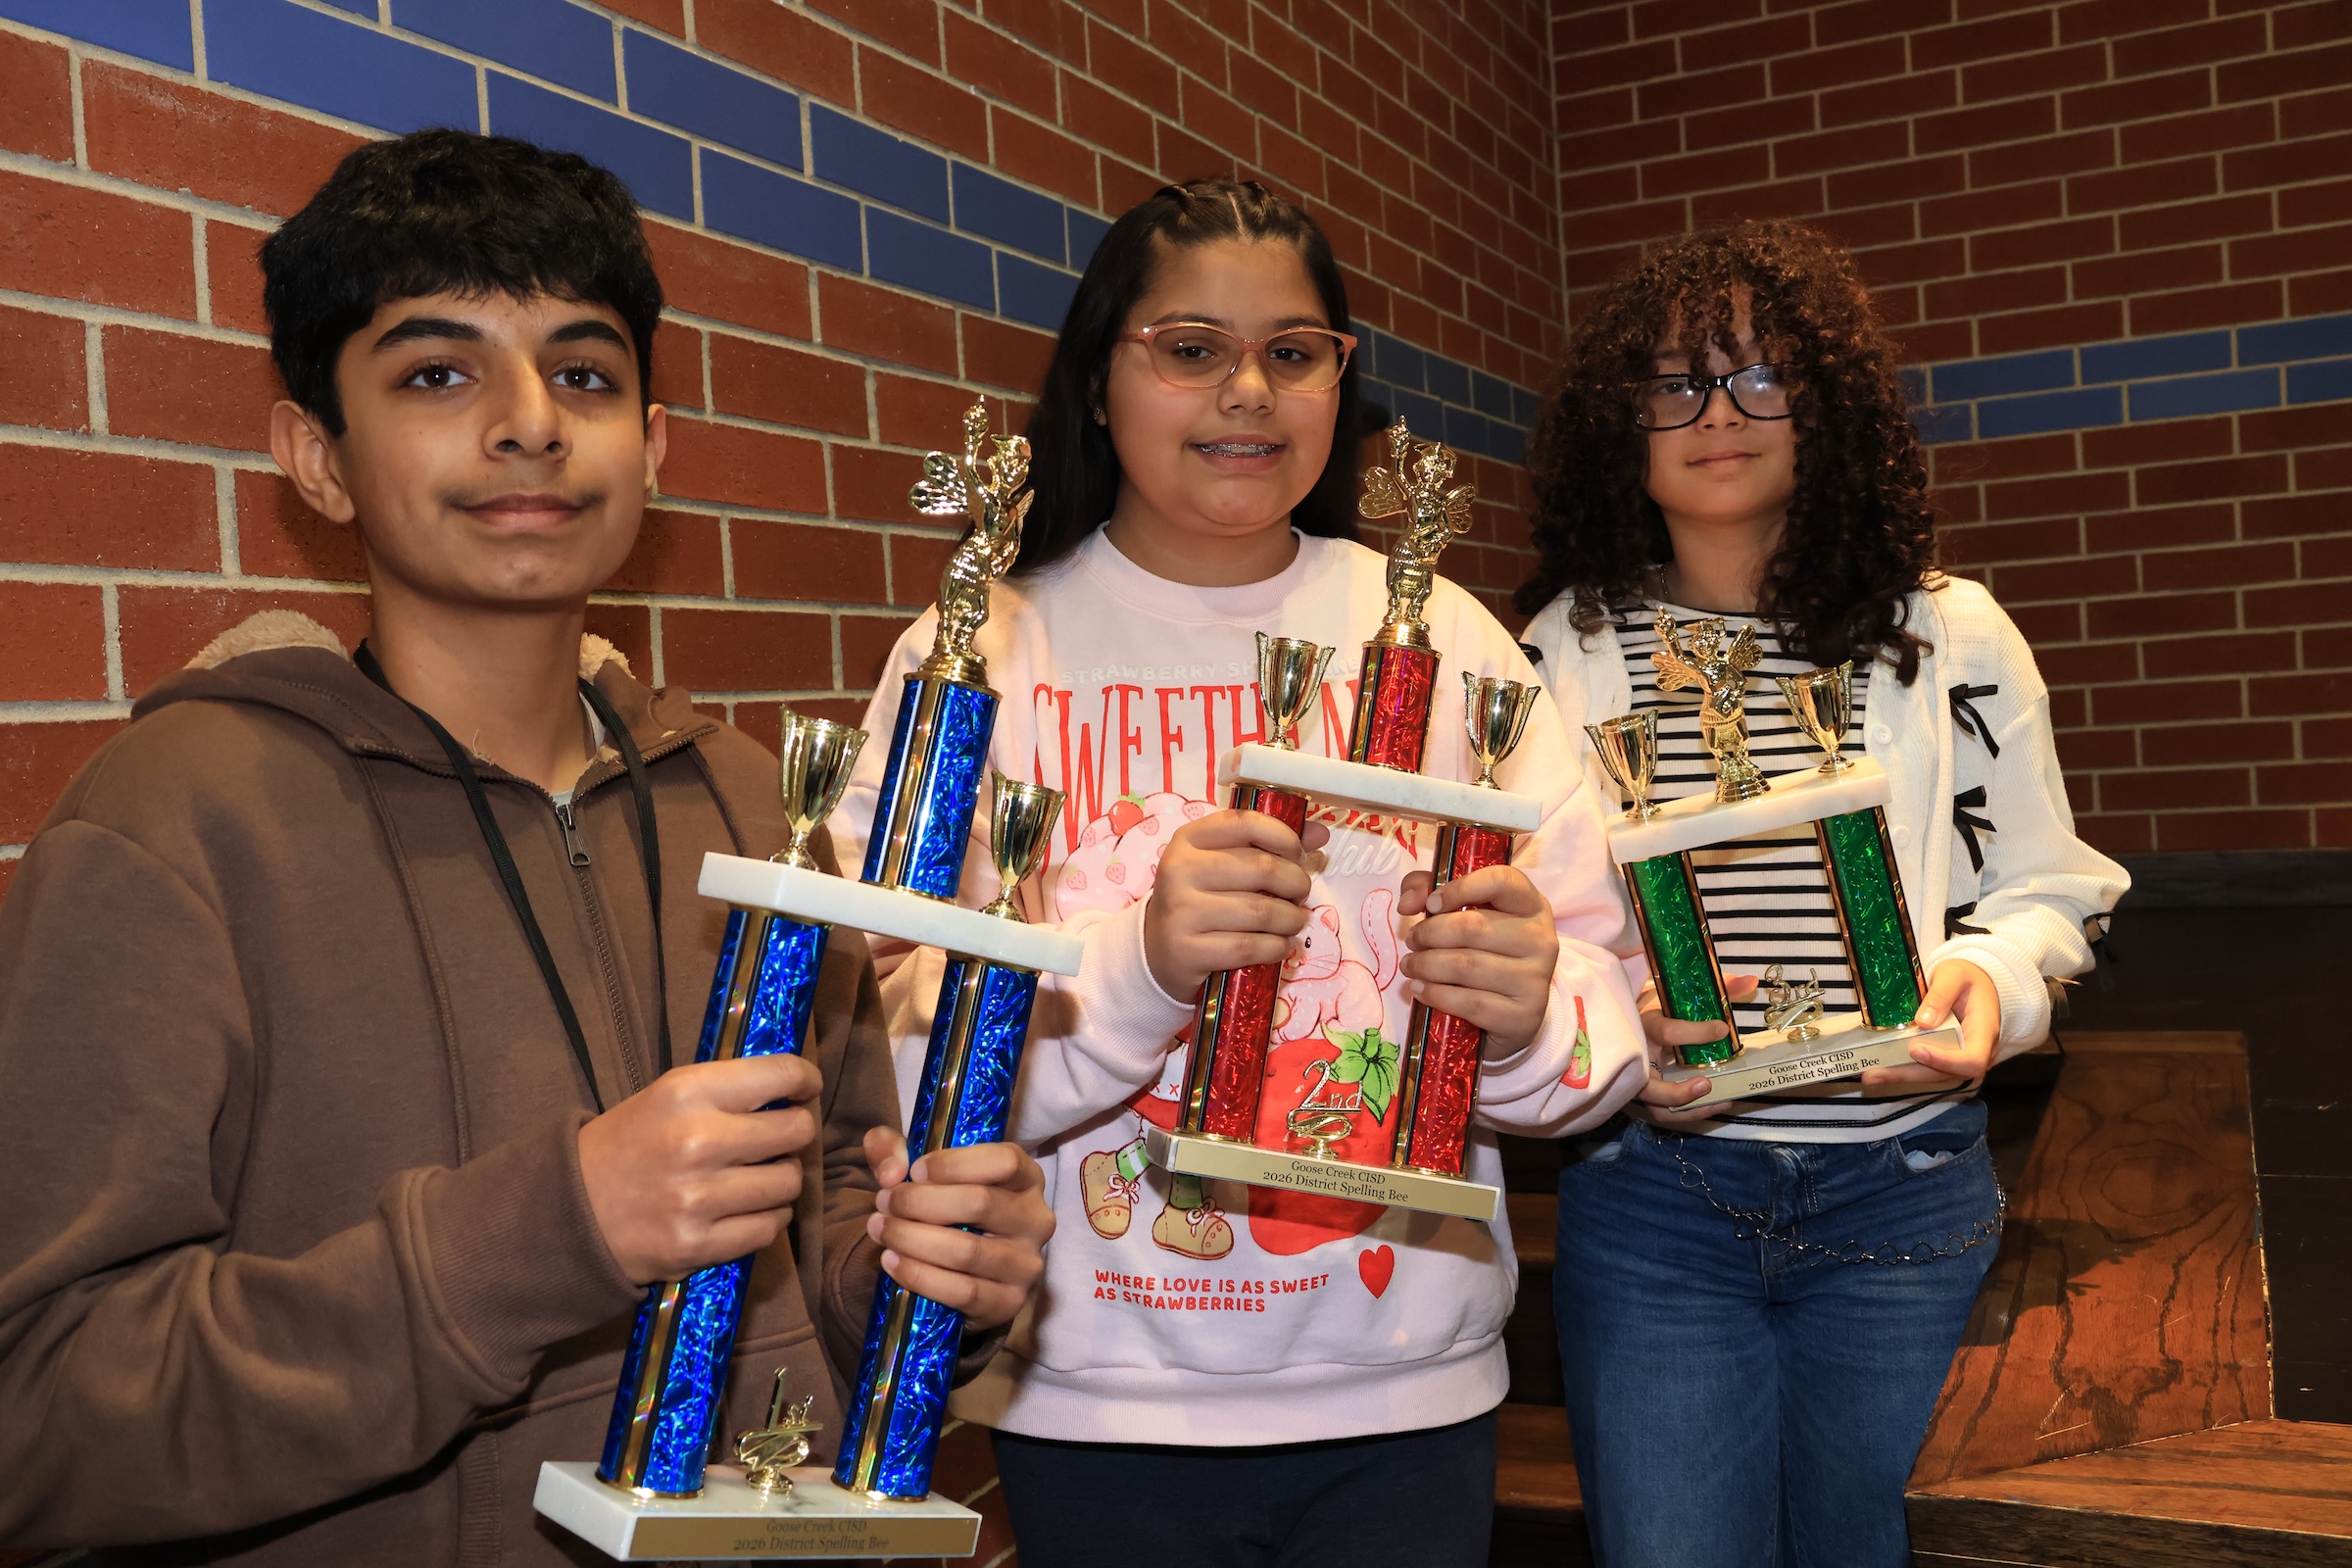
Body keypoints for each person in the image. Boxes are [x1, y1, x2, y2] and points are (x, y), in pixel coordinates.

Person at [0, 130, 1052, 1564]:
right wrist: (552, 1231)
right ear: (316, 455)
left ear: (653, 446)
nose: (529, 423)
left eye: (584, 374)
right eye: (439, 372)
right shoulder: (177, 819)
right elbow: (43, 1419)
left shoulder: (754, 805)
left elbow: (822, 1257)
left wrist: (930, 1281)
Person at [830, 178, 1649, 1568]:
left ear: (1341, 382)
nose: (1248, 392)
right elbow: (883, 1046)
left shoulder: (1442, 637)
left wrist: (1514, 1024)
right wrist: (1137, 971)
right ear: (1099, 380)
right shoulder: (980, 653)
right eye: (1192, 347)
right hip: (1100, 1396)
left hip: (1409, 1383)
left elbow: (1604, 1019)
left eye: (1295, 351)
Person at [1516, 219, 2129, 1567]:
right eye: (1674, 382)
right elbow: (1538, 928)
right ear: (1625, 424)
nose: (1717, 413)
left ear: (1828, 406)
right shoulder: (1566, 647)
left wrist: (1990, 988)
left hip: (1900, 1197)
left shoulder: (1947, 630)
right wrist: (1615, 1024)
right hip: (1655, 1198)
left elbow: (2047, 888)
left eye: (1761, 374)